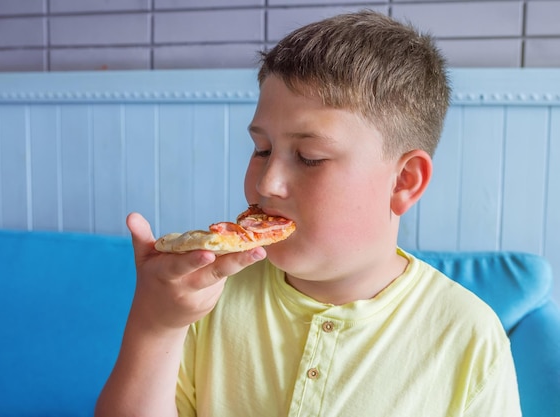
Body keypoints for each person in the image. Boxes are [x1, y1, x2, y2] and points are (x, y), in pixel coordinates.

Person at [95, 10, 521, 417]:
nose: (267, 184)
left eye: (310, 156)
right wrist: (155, 326)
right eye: (261, 150)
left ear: (404, 181)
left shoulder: (468, 335)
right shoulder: (205, 295)